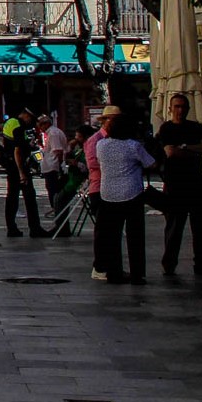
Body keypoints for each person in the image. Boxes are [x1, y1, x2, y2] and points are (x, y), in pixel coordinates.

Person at [157, 93, 202, 277]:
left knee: (199, 228)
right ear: (170, 109)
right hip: (175, 185)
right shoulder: (166, 129)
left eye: (183, 106)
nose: (180, 110)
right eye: (177, 106)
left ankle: (201, 264)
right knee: (174, 227)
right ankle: (169, 263)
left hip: (196, 183)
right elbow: (170, 152)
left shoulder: (195, 127)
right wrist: (192, 150)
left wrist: (185, 148)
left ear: (188, 109)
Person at [96, 115, 156, 284]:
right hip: (131, 194)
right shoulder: (133, 146)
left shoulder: (101, 145)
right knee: (135, 236)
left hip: (108, 194)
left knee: (111, 237)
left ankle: (113, 273)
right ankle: (137, 274)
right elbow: (151, 164)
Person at [0, 109, 51, 237]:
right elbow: (17, 151)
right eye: (30, 119)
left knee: (12, 197)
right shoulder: (18, 126)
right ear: (25, 115)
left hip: (11, 166)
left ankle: (11, 228)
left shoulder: (9, 122)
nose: (30, 122)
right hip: (19, 166)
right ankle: (35, 228)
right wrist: (22, 172)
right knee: (29, 198)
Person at [85, 105, 121, 280]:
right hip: (99, 188)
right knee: (102, 230)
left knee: (113, 231)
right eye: (113, 120)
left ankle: (113, 267)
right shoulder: (96, 139)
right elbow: (92, 163)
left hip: (115, 189)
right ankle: (99, 267)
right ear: (106, 121)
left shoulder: (119, 140)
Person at [37, 115, 69, 210]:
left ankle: (57, 212)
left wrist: (59, 169)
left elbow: (58, 151)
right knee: (51, 191)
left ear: (46, 124)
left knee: (54, 192)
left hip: (53, 168)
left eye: (41, 125)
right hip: (50, 167)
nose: (40, 128)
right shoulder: (51, 133)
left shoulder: (53, 133)